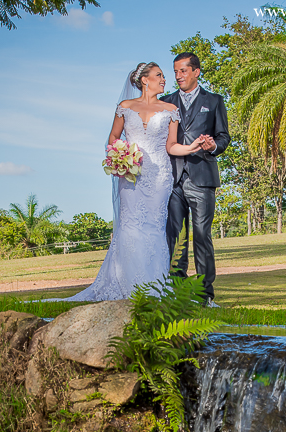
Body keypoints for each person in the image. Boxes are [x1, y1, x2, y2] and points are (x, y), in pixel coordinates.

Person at [66, 62, 205, 302]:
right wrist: (119, 157)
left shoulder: (171, 109)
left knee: (154, 228)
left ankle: (154, 287)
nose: (164, 79)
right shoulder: (125, 107)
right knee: (129, 226)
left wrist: (193, 146)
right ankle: (125, 283)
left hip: (159, 175)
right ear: (144, 80)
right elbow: (113, 136)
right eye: (159, 75)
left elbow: (171, 146)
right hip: (130, 174)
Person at [161, 52, 231, 307]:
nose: (178, 76)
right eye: (175, 71)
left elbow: (224, 137)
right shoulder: (166, 102)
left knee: (202, 235)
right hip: (172, 180)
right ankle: (177, 294)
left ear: (196, 71)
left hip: (202, 178)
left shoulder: (214, 101)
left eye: (183, 71)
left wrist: (213, 145)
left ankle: (204, 297)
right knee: (175, 237)